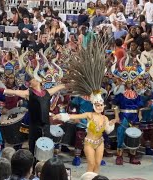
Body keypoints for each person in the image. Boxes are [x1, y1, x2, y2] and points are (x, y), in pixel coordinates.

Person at [53, 40, 116, 173]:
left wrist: (112, 122)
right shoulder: (81, 101)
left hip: (100, 140)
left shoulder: (101, 106)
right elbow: (73, 113)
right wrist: (63, 116)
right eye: (97, 104)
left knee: (97, 164)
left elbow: (109, 129)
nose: (99, 106)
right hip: (84, 129)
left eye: (101, 105)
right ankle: (77, 156)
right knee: (91, 162)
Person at [0, 75, 65, 155]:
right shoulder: (28, 93)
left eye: (32, 79)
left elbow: (61, 86)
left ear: (38, 81)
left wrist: (70, 84)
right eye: (30, 80)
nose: (30, 81)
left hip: (46, 127)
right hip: (35, 127)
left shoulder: (47, 92)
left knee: (46, 150)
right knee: (34, 150)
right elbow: (12, 92)